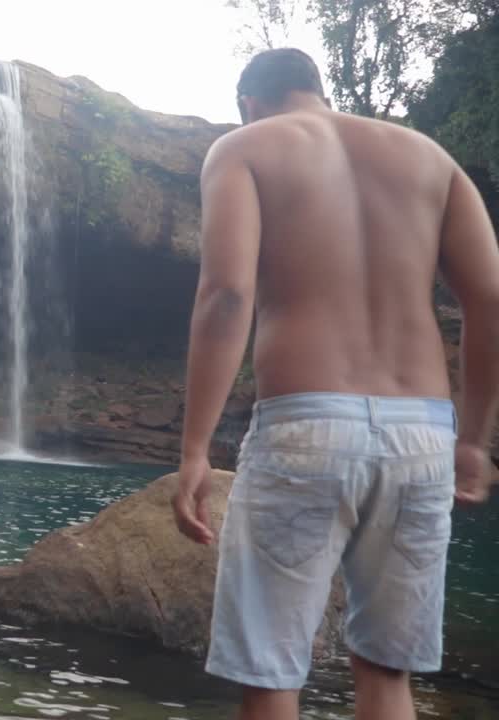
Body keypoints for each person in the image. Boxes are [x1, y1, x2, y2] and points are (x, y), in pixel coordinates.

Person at [170, 47, 499, 720]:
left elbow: (227, 295)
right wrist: (474, 439)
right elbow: (491, 298)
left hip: (305, 427)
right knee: (386, 674)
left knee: (270, 673)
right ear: (318, 89)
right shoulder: (431, 160)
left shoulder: (245, 147)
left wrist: (194, 447)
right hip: (423, 437)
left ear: (249, 103)